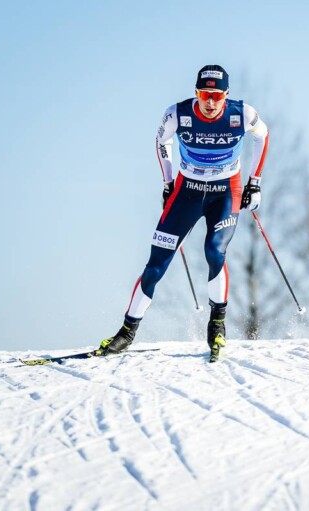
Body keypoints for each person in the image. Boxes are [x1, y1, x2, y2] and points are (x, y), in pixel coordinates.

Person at [95, 65, 269, 362]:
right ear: (196, 93)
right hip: (186, 191)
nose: (210, 102)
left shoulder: (242, 114)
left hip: (226, 191)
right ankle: (126, 332)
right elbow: (161, 140)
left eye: (216, 95)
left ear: (226, 95)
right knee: (156, 263)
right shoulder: (177, 114)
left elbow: (262, 137)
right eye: (204, 94)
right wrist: (167, 183)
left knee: (215, 251)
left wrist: (255, 182)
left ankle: (217, 324)